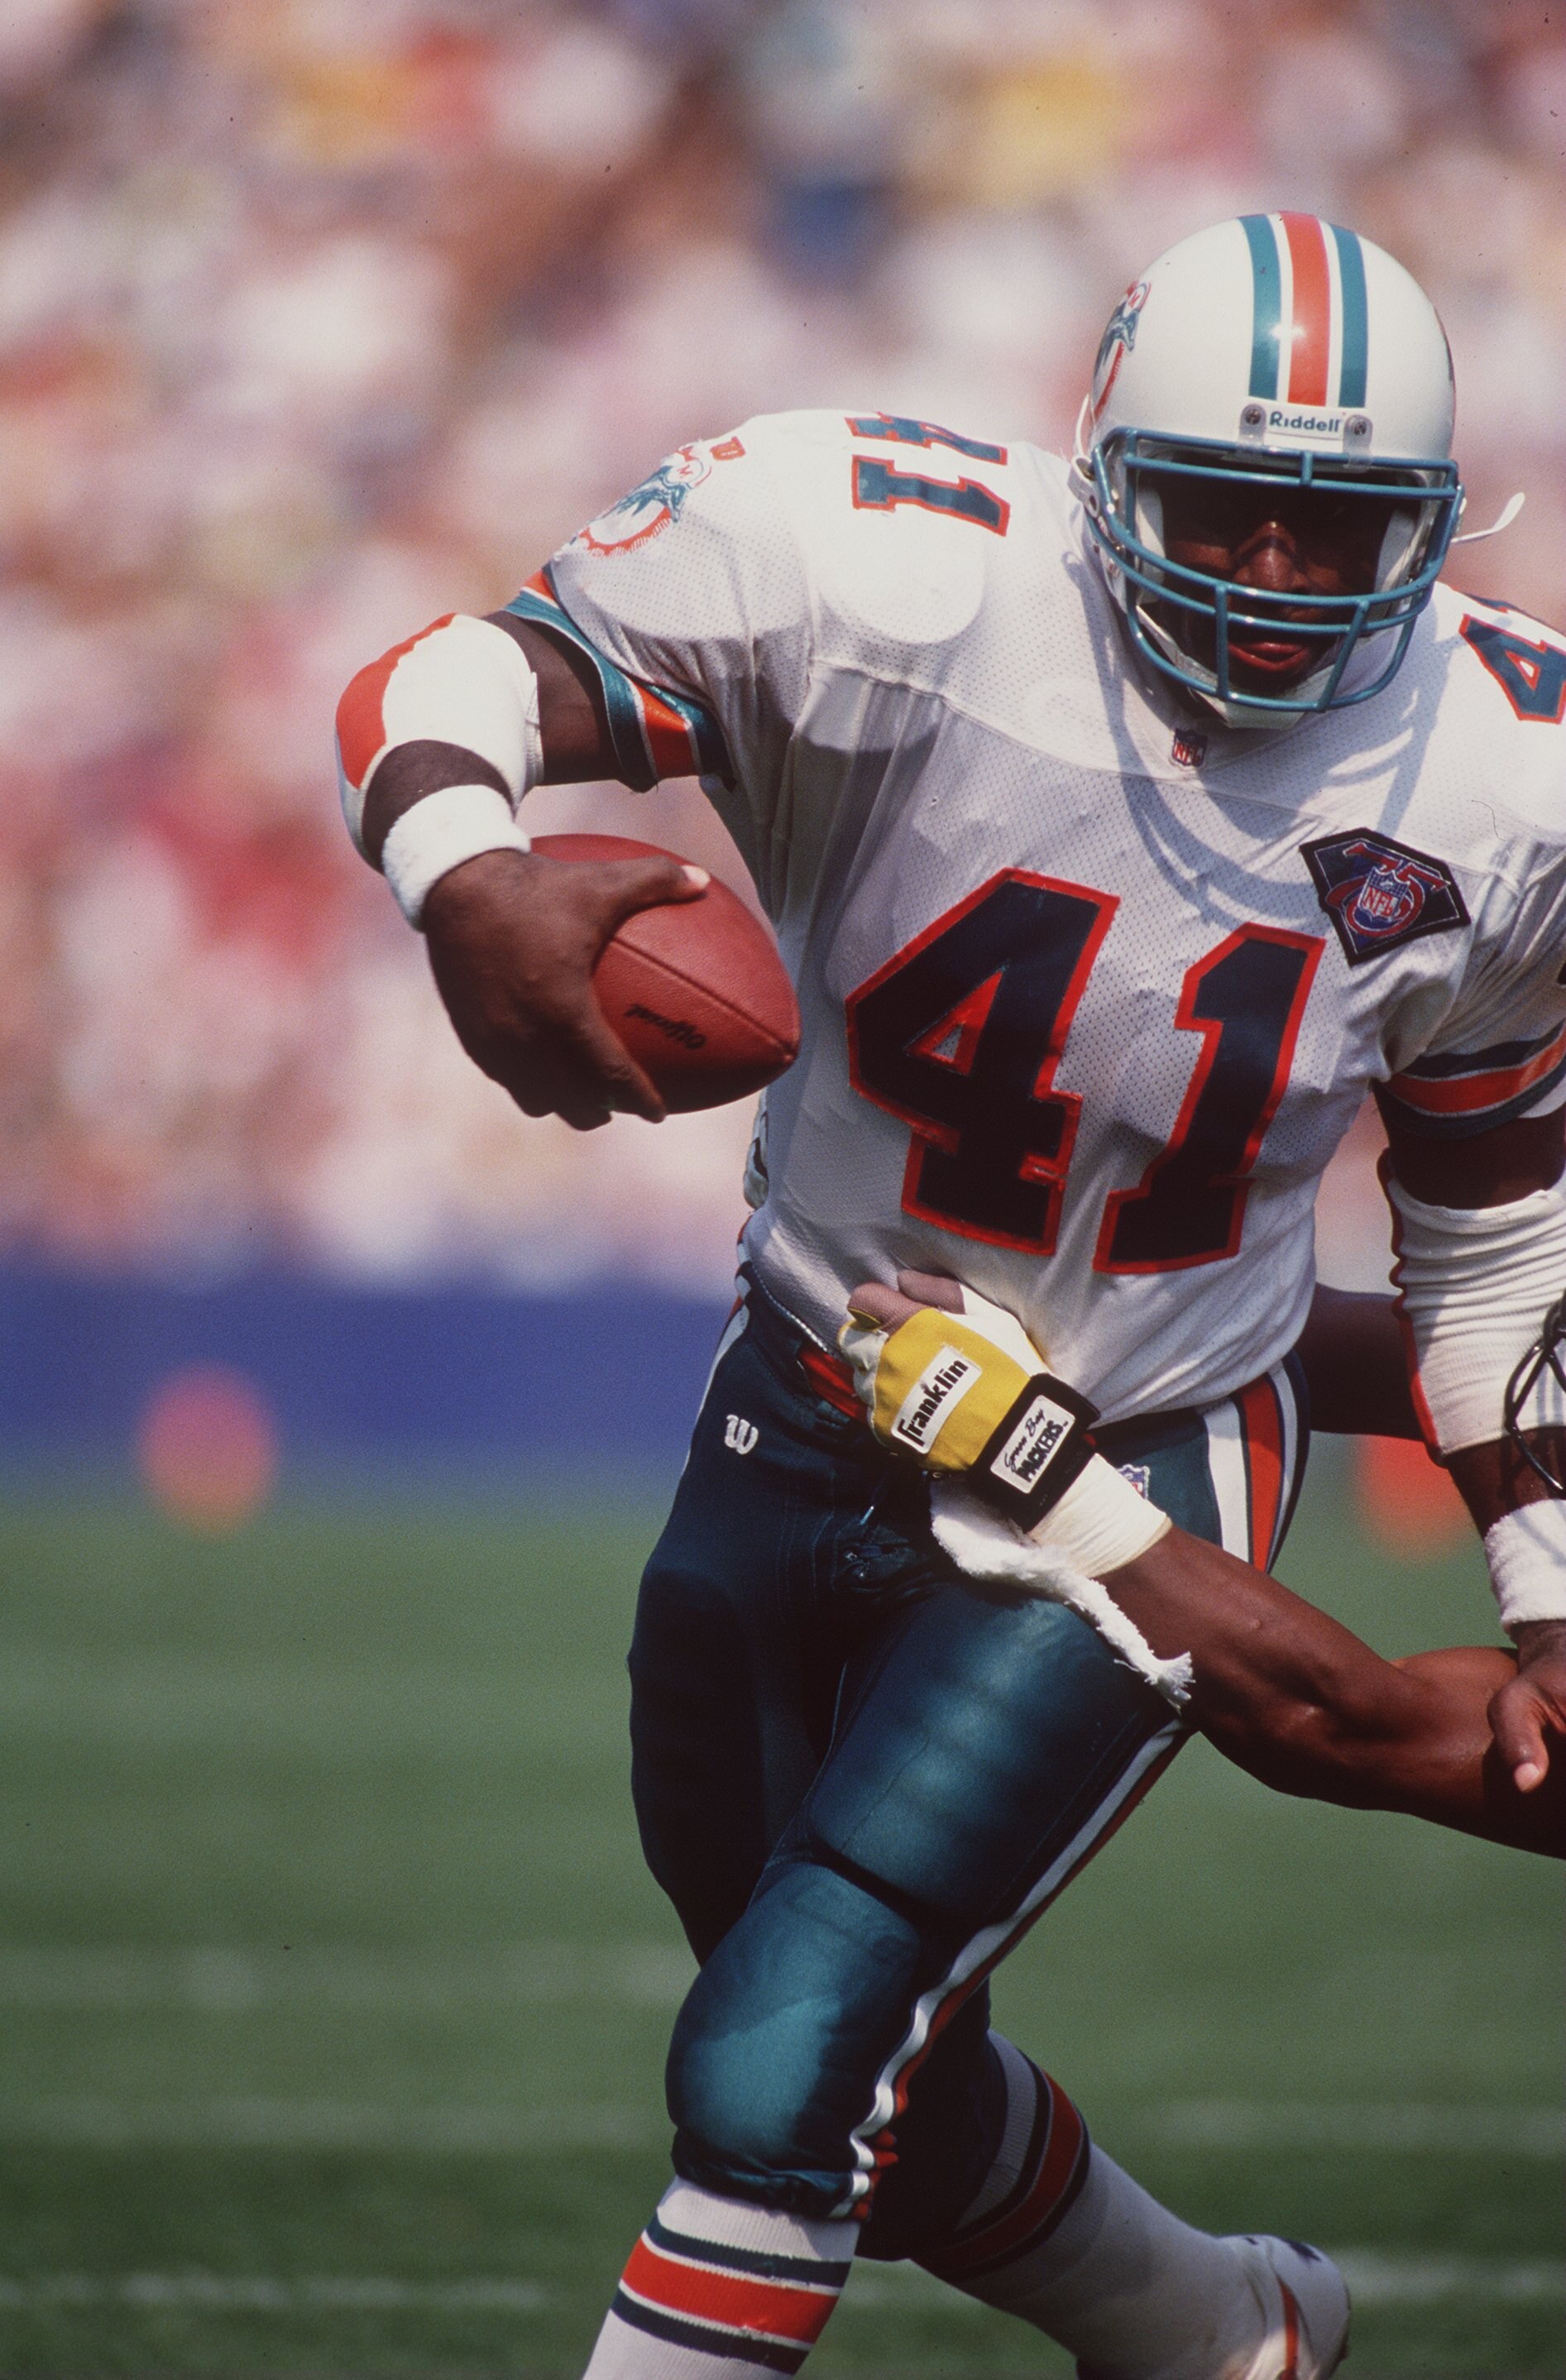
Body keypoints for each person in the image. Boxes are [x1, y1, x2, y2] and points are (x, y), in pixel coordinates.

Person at [333, 215, 1566, 2380]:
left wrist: (1545, 1579)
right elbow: (443, 677)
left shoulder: (1501, 768)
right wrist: (471, 873)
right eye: (1228, 508)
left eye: (1340, 524)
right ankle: (1215, 2332)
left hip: (1132, 1443)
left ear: (1434, 526)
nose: (1279, 577)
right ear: (1106, 466)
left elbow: (1488, 1206)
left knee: (779, 2070)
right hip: (804, 1378)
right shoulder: (877, 565)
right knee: (811, 2027)